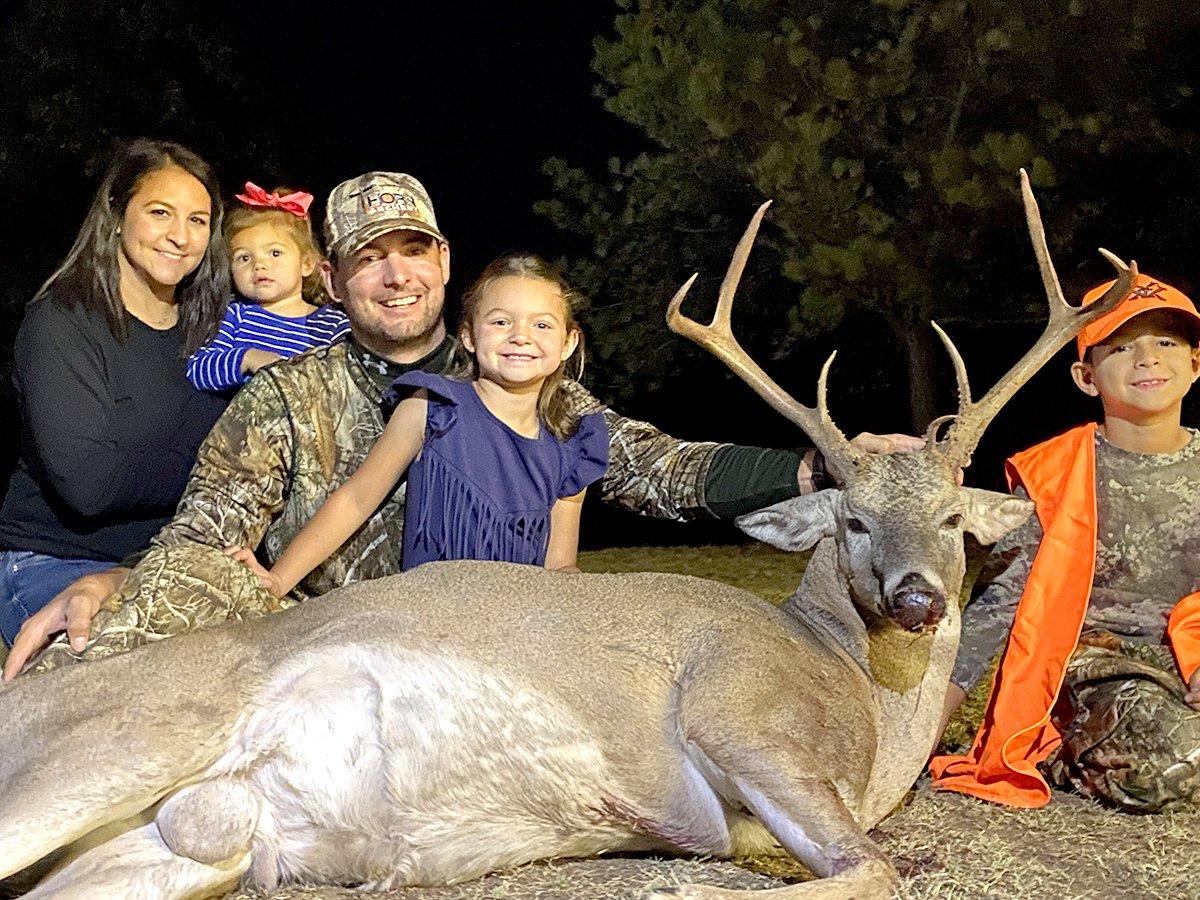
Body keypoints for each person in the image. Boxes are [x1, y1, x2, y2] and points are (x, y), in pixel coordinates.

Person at [5, 171, 920, 679]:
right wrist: (124, 588)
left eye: (413, 251)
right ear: (332, 280)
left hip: (490, 652)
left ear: (443, 261)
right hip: (325, 659)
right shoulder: (284, 395)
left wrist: (816, 467)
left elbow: (656, 466)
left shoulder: (523, 380)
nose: (395, 275)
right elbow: (211, 536)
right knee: (102, 664)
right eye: (368, 259)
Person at [931, 273, 1200, 812]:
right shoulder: (1051, 476)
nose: (1147, 358)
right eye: (1120, 347)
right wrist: (917, 731)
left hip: (1189, 657)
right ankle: (1064, 751)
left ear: (1195, 363)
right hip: (1097, 668)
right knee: (1175, 764)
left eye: (1166, 342)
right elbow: (995, 610)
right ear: (1086, 377)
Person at [0, 139, 230, 647]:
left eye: (197, 220)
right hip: (57, 561)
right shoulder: (61, 323)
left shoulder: (219, 332)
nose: (180, 236)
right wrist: (220, 465)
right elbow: (90, 485)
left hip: (172, 560)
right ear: (117, 214)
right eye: (160, 212)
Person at [186, 182, 349, 393]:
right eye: (244, 257)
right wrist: (247, 358)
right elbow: (197, 370)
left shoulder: (333, 327)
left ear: (306, 263)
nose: (259, 265)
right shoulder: (234, 316)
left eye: (275, 253)